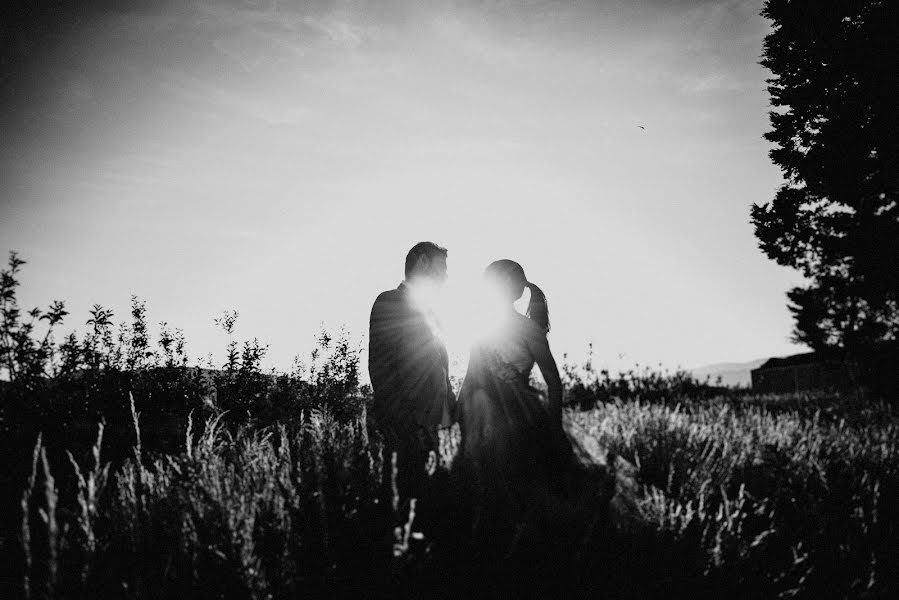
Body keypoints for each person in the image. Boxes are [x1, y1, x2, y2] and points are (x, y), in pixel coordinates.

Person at [455, 259, 610, 596]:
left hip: (515, 420)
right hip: (501, 416)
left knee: (517, 489)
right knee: (505, 491)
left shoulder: (525, 329)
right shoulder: (490, 327)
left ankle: (528, 565)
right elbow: (473, 376)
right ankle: (510, 564)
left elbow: (554, 383)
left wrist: (553, 428)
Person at [368, 242, 455, 509]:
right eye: (442, 268)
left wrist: (451, 407)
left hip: (432, 426)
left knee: (430, 504)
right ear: (422, 262)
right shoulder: (389, 301)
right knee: (402, 501)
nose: (446, 277)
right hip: (405, 428)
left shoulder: (431, 313)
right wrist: (406, 424)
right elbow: (380, 367)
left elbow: (438, 366)